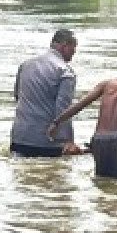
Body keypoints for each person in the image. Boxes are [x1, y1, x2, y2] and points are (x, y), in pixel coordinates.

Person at [48, 52, 117, 178]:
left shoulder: (107, 84)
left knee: (101, 180)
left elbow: (80, 105)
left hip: (98, 139)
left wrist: (56, 122)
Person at [11, 29, 81, 158]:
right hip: (46, 142)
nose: (74, 53)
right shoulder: (65, 72)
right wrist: (69, 142)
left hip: (19, 137)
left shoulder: (26, 65)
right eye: (73, 48)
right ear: (65, 46)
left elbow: (17, 96)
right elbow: (63, 110)